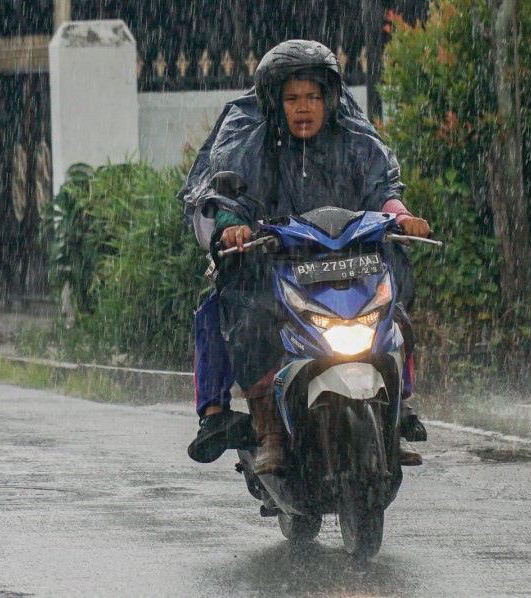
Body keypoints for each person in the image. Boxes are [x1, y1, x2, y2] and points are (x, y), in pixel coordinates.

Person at [179, 40, 429, 473]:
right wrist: (233, 226)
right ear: (275, 102)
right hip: (276, 271)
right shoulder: (250, 146)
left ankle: (396, 410)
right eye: (292, 98)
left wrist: (403, 217)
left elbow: (383, 192)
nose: (303, 107)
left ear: (329, 99)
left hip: (348, 268)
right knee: (250, 322)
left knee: (394, 314)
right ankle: (270, 431)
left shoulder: (355, 143)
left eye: (312, 96)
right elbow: (228, 200)